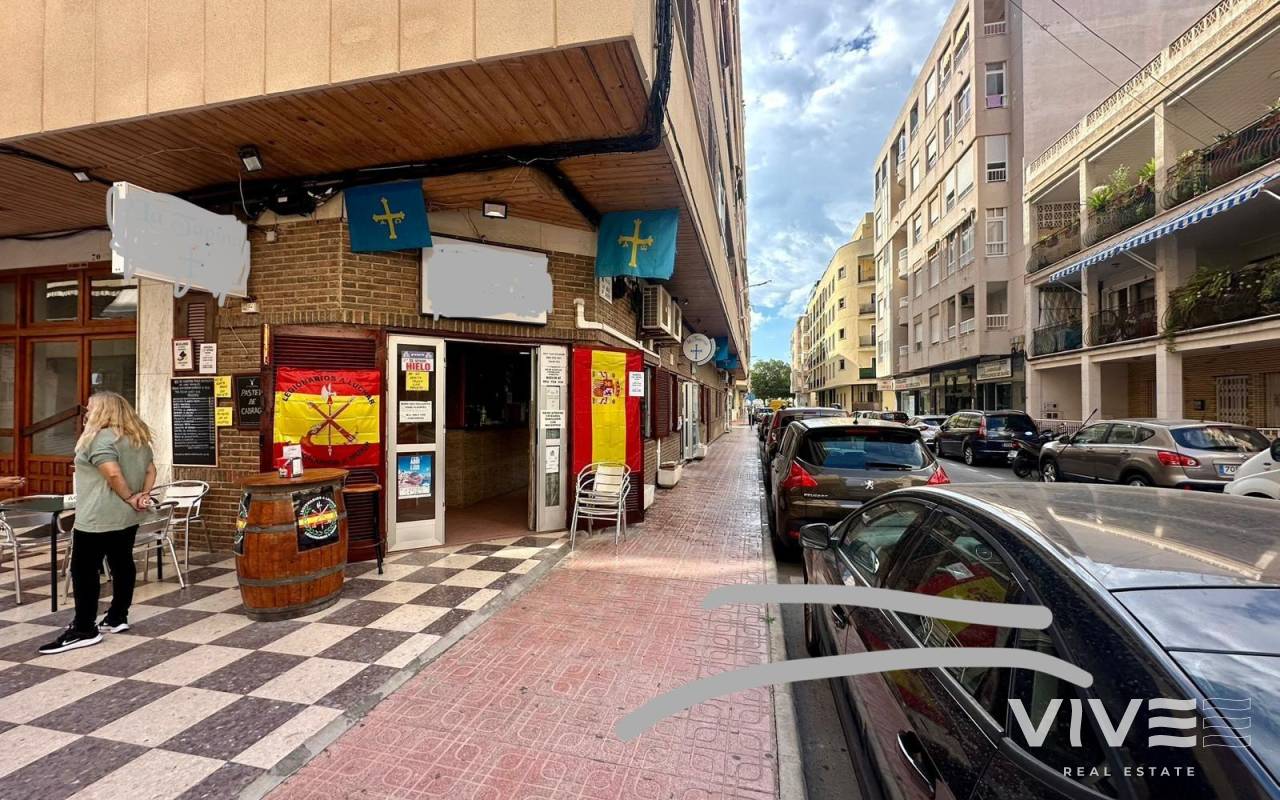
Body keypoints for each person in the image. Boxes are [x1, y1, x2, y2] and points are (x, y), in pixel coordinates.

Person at [39, 392, 156, 655]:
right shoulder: (137, 437)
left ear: (104, 410)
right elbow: (151, 470)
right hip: (127, 517)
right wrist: (142, 497)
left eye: (90, 408)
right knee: (122, 562)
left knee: (83, 569)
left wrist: (129, 497)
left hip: (97, 516)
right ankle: (117, 616)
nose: (87, 412)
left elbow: (112, 472)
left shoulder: (98, 438)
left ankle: (84, 629)